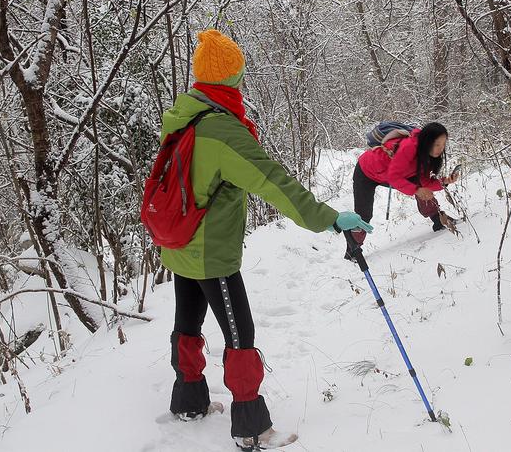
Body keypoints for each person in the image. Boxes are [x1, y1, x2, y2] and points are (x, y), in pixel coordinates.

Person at [158, 29, 371, 450]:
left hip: (179, 243)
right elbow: (274, 183)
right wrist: (329, 218)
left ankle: (189, 402)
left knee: (187, 323)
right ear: (230, 79)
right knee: (241, 336)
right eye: (238, 73)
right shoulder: (221, 130)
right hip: (211, 253)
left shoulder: (184, 116)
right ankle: (251, 427)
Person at [346, 122, 458, 258]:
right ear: (427, 141)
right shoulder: (409, 147)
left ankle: (438, 219)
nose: (441, 149)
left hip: (389, 172)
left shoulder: (426, 154)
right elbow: (394, 178)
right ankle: (353, 250)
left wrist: (445, 182)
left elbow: (425, 182)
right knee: (363, 215)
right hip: (366, 172)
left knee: (420, 186)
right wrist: (417, 190)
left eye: (443, 144)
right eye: (437, 144)